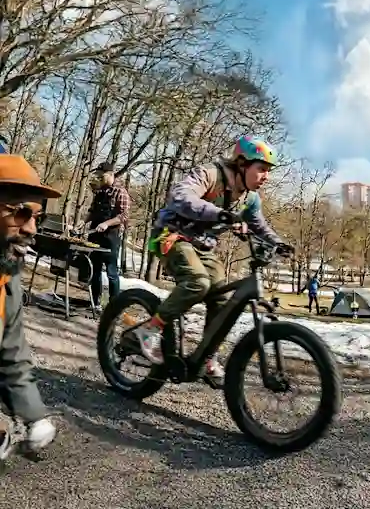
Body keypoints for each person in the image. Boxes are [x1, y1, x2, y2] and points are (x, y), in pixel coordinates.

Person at [137, 135, 293, 385]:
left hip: (202, 246)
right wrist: (219, 214)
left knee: (222, 297)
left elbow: (259, 225)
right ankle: (150, 329)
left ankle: (206, 357)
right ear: (242, 164)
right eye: (262, 169)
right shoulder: (210, 174)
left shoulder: (250, 197)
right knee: (198, 282)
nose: (266, 177)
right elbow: (179, 196)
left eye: (268, 172)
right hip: (171, 236)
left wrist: (279, 243)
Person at [0, 154, 61, 457]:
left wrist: (33, 415)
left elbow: (11, 355)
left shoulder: (6, 282)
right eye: (22, 212)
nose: (32, 229)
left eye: (39, 216)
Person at [82, 161, 129, 313]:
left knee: (111, 272)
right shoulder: (100, 192)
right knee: (93, 269)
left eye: (101, 176)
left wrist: (107, 223)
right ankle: (95, 302)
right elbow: (92, 210)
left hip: (111, 237)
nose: (99, 179)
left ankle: (114, 307)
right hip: (95, 235)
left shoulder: (121, 192)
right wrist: (82, 223)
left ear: (109, 175)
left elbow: (123, 216)